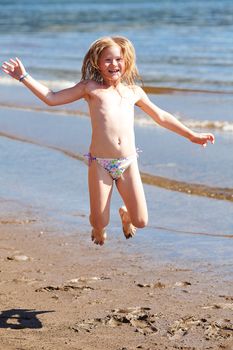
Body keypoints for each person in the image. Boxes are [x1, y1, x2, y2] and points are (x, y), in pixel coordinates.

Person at [1, 36, 215, 246]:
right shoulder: (90, 88)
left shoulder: (134, 92)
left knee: (141, 221)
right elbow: (52, 98)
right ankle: (97, 229)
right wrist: (24, 77)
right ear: (97, 63)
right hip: (100, 163)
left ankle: (126, 214)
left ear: (126, 61)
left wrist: (192, 135)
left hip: (128, 162)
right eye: (108, 60)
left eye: (118, 59)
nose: (114, 64)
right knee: (100, 220)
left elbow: (161, 116)